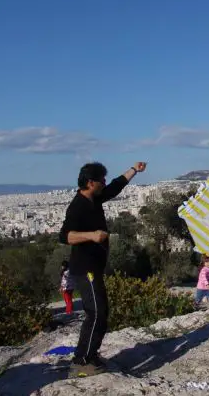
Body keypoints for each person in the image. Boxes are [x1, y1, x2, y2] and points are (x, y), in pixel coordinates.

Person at [59, 161, 147, 378]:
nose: (104, 183)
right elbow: (64, 236)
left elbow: (116, 186)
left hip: (94, 267)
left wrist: (134, 170)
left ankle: (89, 355)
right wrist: (91, 235)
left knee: (100, 311)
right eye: (101, 180)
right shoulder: (78, 206)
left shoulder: (94, 198)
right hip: (85, 267)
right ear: (90, 183)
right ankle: (81, 361)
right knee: (96, 312)